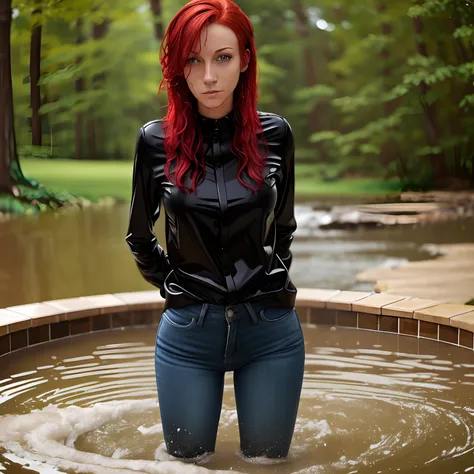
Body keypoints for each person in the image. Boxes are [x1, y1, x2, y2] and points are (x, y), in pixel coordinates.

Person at [125, 0, 304, 462]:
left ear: (245, 59)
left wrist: (270, 280)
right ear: (178, 66)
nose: (209, 76)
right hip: (189, 333)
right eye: (194, 59)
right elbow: (139, 235)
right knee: (185, 466)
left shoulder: (276, 135)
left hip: (270, 332)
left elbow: (283, 226)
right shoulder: (154, 142)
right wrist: (178, 288)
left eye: (222, 57)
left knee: (268, 466)